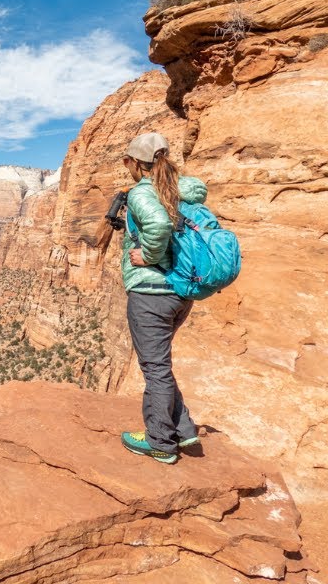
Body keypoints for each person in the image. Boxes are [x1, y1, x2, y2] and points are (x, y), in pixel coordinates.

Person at [116, 132, 208, 465]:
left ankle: (160, 443)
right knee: (160, 365)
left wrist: (149, 256)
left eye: (126, 162)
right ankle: (182, 429)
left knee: (155, 369)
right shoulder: (181, 190)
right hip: (181, 292)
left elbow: (156, 225)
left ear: (135, 163)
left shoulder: (144, 192)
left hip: (151, 294)